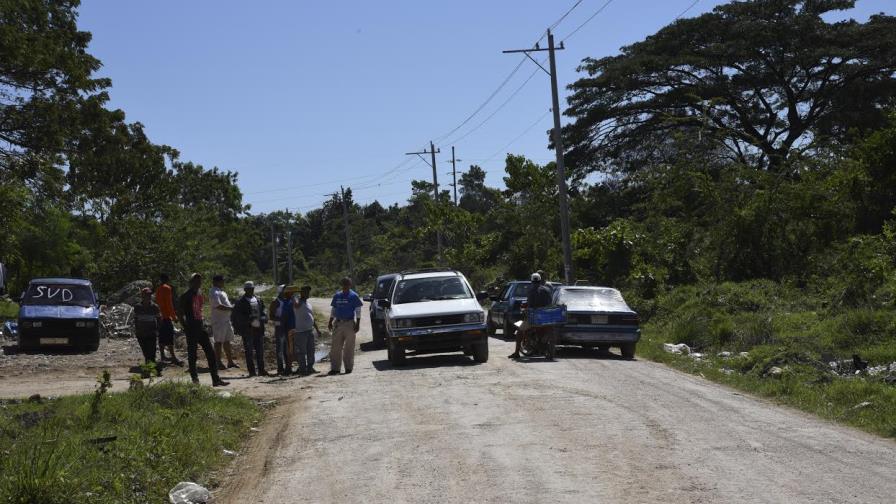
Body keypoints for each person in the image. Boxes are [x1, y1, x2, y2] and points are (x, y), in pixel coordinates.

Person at [178, 273, 228, 386]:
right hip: (191, 327)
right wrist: (185, 326)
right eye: (196, 281)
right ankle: (195, 380)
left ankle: (215, 379)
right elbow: (180, 313)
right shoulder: (186, 295)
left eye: (199, 281)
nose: (198, 283)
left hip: (200, 326)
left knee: (211, 353)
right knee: (192, 355)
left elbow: (200, 309)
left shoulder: (200, 293)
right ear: (191, 282)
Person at [508, 272, 553, 360]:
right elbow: (550, 303)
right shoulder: (547, 290)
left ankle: (517, 353)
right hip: (546, 319)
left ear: (531, 281)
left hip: (534, 319)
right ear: (540, 280)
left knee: (519, 331)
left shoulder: (531, 291)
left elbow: (530, 304)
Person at [232, 281, 270, 377]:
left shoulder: (258, 299)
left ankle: (261, 370)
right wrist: (248, 320)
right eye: (248, 289)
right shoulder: (240, 301)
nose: (251, 290)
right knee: (249, 351)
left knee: (260, 350)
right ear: (245, 289)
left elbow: (263, 309)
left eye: (252, 288)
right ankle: (252, 371)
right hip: (248, 329)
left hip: (259, 328)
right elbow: (237, 316)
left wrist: (264, 317)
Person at [327, 277, 363, 375]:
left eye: (347, 284)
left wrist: (358, 323)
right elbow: (333, 309)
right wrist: (330, 321)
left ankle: (348, 367)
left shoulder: (354, 296)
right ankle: (335, 368)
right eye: (344, 284)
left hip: (349, 323)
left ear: (350, 284)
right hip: (338, 323)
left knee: (349, 347)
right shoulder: (337, 295)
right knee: (335, 347)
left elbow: (358, 310)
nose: (345, 285)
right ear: (341, 284)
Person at [210, 275, 238, 370]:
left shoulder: (222, 291)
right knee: (218, 342)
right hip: (219, 321)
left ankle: (230, 362)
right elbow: (218, 306)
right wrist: (231, 308)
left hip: (226, 320)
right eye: (222, 281)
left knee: (227, 341)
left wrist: (231, 307)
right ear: (217, 281)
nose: (223, 282)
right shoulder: (214, 291)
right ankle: (218, 362)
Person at [291, 285, 320, 375]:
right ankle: (302, 369)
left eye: (308, 292)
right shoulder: (298, 301)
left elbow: (312, 317)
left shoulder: (309, 304)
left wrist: (317, 329)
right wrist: (295, 296)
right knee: (301, 352)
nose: (307, 293)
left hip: (309, 330)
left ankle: (310, 367)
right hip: (300, 331)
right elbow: (296, 306)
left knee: (311, 350)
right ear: (301, 293)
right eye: (305, 292)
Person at [133, 287, 162, 377]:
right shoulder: (137, 307)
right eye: (146, 295)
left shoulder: (154, 307)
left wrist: (158, 330)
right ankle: (155, 370)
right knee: (146, 353)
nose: (148, 297)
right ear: (142, 296)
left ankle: (147, 372)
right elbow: (135, 319)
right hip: (141, 334)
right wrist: (137, 330)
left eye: (149, 295)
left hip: (151, 333)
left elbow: (159, 319)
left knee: (151, 353)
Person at [155, 273, 182, 365]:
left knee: (162, 337)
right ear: (167, 279)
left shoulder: (158, 289)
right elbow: (169, 304)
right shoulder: (167, 288)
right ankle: (173, 357)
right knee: (170, 337)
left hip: (159, 317)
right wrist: (174, 317)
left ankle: (163, 356)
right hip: (166, 317)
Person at [270, 285, 295, 376]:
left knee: (287, 348)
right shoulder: (276, 302)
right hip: (280, 327)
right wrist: (279, 319)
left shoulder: (288, 300)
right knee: (280, 349)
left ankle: (288, 367)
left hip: (288, 327)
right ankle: (280, 368)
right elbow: (271, 316)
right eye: (285, 290)